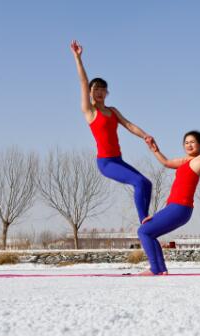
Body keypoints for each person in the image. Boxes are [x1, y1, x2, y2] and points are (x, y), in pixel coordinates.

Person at [137, 106, 200, 275]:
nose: (188, 144)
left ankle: (155, 269)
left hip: (180, 207)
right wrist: (154, 149)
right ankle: (160, 269)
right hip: (174, 208)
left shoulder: (199, 161)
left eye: (192, 142)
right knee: (149, 233)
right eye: (186, 142)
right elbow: (165, 162)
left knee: (143, 231)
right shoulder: (184, 162)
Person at [70, 40, 154, 224]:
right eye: (95, 90)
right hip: (106, 163)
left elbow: (129, 125)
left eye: (102, 90)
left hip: (118, 160)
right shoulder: (90, 111)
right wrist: (78, 58)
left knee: (147, 183)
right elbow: (83, 82)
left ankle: (146, 218)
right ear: (91, 93)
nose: (99, 93)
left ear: (107, 92)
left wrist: (145, 136)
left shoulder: (113, 111)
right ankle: (143, 221)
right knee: (139, 183)